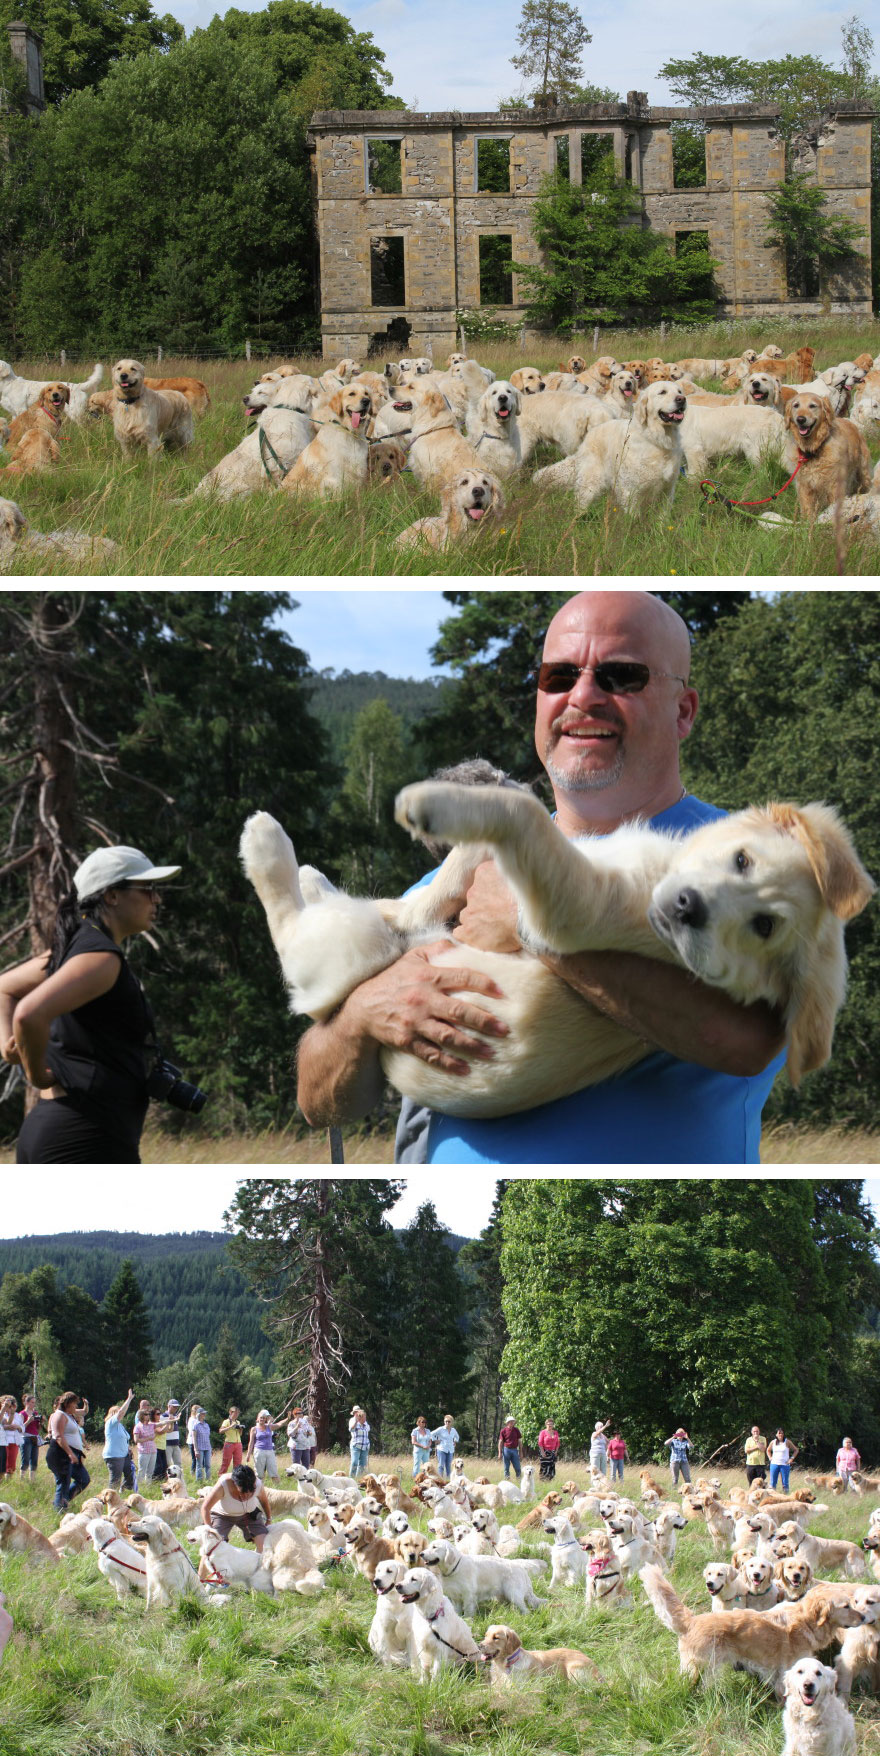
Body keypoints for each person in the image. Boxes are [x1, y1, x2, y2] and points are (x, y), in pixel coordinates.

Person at [295, 591, 786, 1166]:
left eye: (620, 676)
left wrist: (531, 923)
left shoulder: (754, 864)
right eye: (558, 676)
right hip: (483, 1239)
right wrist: (361, 1016)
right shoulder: (456, 884)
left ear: (684, 711)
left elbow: (744, 1041)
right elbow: (319, 1099)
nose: (582, 696)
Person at [0, 844, 181, 1165]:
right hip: (84, 1138)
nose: (157, 899)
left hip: (60, 1131)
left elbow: (4, 989)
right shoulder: (99, 958)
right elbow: (28, 1015)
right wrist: (35, 1075)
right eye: (148, 888)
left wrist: (6, 1047)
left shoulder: (76, 948)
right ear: (111, 896)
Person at [201, 1463, 273, 1556]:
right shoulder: (223, 1484)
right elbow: (205, 1508)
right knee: (213, 1547)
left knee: (265, 1545)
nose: (246, 1496)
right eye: (242, 1492)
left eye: (250, 1492)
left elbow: (264, 1501)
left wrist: (268, 1519)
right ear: (234, 1484)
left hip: (248, 1514)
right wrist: (209, 1529)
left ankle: (258, 1565)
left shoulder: (258, 1484)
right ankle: (203, 1570)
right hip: (222, 1515)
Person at [46, 1390, 90, 1511]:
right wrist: (70, 1453)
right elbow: (59, 1436)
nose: (76, 1407)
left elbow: (84, 1412)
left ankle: (61, 1502)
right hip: (61, 1454)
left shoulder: (68, 1415)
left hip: (72, 1454)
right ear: (67, 1403)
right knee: (64, 1482)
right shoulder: (59, 1415)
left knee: (83, 1479)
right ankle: (59, 1509)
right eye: (74, 1404)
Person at [103, 1390, 137, 1493]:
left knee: (131, 1475)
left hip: (124, 1455)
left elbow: (123, 1439)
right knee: (115, 1480)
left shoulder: (120, 1426)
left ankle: (122, 1490)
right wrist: (129, 1399)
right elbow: (121, 1412)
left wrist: (128, 1449)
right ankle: (109, 1498)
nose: (122, 1414)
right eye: (119, 1412)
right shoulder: (110, 1423)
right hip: (114, 1456)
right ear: (114, 1414)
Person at [247, 1410, 279, 1482]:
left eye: (264, 1418)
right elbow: (251, 1442)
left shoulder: (269, 1426)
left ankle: (276, 1487)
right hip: (259, 1450)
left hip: (269, 1450)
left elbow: (276, 1423)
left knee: (273, 1471)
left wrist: (287, 1418)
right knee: (259, 1473)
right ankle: (259, 1488)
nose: (262, 1419)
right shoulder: (254, 1429)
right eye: (261, 1417)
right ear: (257, 1419)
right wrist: (248, 1454)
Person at [133, 1400, 158, 1490]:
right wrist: (148, 1439)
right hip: (143, 1451)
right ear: (142, 1416)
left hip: (153, 1451)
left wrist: (172, 1420)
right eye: (146, 1414)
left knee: (150, 1472)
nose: (148, 1416)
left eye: (148, 1414)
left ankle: (148, 1487)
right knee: (142, 1471)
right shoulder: (138, 1426)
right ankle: (138, 1488)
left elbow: (161, 1424)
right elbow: (136, 1440)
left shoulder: (151, 1425)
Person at [19, 1394, 42, 1485]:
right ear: (27, 1403)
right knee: (25, 1460)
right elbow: (21, 1428)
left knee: (34, 1460)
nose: (34, 1405)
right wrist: (28, 1420)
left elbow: (37, 1429)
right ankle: (22, 1480)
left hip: (34, 1438)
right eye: (32, 1402)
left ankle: (32, 1481)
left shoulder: (35, 1413)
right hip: (25, 1438)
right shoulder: (22, 1414)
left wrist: (40, 1422)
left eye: (34, 1403)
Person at [430, 1415, 460, 1480]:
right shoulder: (441, 1429)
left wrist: (455, 1441)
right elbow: (431, 1433)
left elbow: (457, 1437)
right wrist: (435, 1440)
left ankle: (449, 1479)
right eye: (446, 1421)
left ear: (451, 1422)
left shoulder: (453, 1430)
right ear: (444, 1422)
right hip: (441, 1449)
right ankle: (439, 1480)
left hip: (450, 1450)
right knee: (441, 1465)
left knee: (449, 1466)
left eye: (449, 1421)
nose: (447, 1423)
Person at [219, 1407, 245, 1475]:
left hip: (238, 1443)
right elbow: (220, 1431)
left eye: (238, 1413)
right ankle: (221, 1477)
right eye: (235, 1413)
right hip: (229, 1443)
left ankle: (235, 1478)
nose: (237, 1414)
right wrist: (230, 1426)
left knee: (238, 1463)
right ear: (230, 1412)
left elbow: (240, 1434)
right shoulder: (226, 1421)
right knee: (226, 1462)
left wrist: (240, 1429)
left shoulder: (238, 1422)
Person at [162, 1400, 184, 1476]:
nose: (176, 1408)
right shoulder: (163, 1416)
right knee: (168, 1463)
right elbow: (166, 1430)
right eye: (174, 1407)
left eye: (176, 1407)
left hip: (176, 1443)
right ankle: (168, 1478)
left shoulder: (175, 1416)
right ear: (169, 1406)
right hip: (167, 1443)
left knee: (178, 1463)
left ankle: (180, 1478)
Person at [348, 1407, 370, 1480]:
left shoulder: (365, 1424)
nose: (365, 1419)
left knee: (362, 1465)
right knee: (354, 1462)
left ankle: (358, 1480)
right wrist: (356, 1421)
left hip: (364, 1446)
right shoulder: (353, 1421)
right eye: (364, 1417)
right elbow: (351, 1429)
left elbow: (368, 1429)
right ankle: (351, 1479)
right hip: (356, 1446)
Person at [192, 1408, 213, 1482]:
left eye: (204, 1413)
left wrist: (211, 1448)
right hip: (199, 1448)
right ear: (198, 1414)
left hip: (207, 1447)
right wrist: (195, 1450)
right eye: (202, 1413)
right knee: (199, 1465)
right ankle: (199, 1480)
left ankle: (208, 1479)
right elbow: (194, 1438)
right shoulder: (195, 1425)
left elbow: (208, 1437)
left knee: (208, 1465)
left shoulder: (207, 1425)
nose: (204, 1415)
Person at [498, 1414, 521, 1481]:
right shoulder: (503, 1431)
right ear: (507, 1422)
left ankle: (519, 1480)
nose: (512, 1423)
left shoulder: (516, 1430)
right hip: (506, 1450)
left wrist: (521, 1452)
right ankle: (507, 1481)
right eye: (510, 1421)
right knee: (506, 1468)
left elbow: (520, 1441)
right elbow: (500, 1442)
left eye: (513, 1421)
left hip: (515, 1450)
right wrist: (500, 1453)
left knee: (517, 1467)